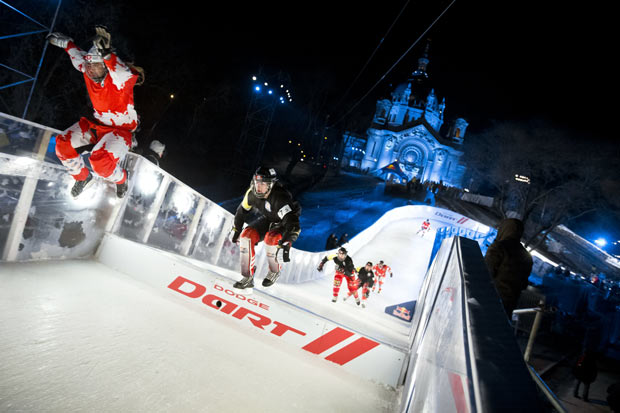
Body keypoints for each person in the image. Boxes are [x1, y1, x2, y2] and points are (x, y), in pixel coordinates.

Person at [48, 26, 142, 199]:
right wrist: (67, 44)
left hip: (120, 132)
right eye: (90, 67)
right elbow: (78, 57)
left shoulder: (119, 79)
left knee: (99, 163)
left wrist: (107, 55)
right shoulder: (88, 70)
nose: (91, 71)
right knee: (62, 144)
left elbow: (122, 71)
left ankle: (122, 178)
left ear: (106, 67)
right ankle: (83, 178)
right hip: (96, 125)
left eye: (97, 67)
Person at [230, 167, 301, 289]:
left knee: (271, 238)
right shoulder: (251, 194)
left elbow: (293, 224)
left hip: (284, 222)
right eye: (257, 182)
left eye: (263, 184)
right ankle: (247, 276)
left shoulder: (280, 197)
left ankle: (274, 270)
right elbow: (241, 213)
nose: (258, 187)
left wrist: (287, 243)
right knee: (246, 236)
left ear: (271, 185)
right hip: (269, 217)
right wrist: (236, 230)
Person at [484, 218, 533, 317]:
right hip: (510, 303)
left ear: (504, 229)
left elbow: (485, 273)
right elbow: (524, 284)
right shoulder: (526, 256)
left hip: (489, 299)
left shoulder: (498, 247)